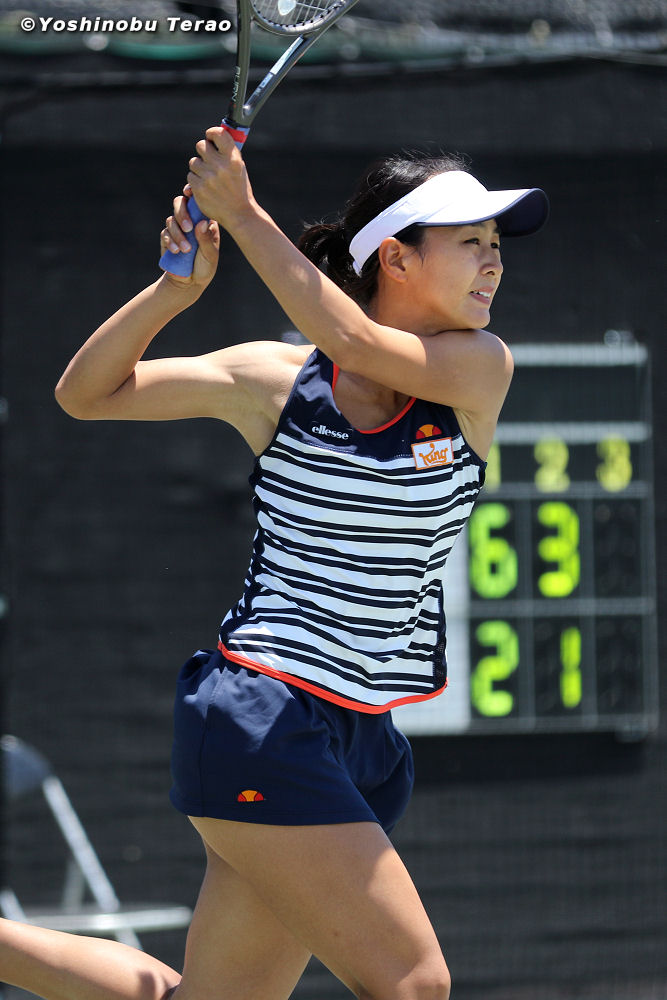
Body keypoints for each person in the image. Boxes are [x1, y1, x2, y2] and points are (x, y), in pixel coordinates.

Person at [0, 127, 548, 1000]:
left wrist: (243, 213)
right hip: (261, 716)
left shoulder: (480, 368)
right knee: (415, 984)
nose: (493, 263)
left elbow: (359, 343)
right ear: (395, 257)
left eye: (496, 245)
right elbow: (86, 394)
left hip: (363, 735)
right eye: (469, 242)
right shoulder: (276, 380)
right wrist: (172, 293)